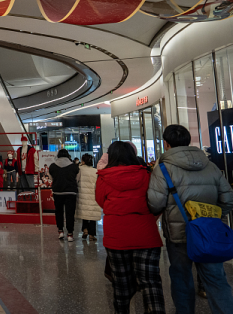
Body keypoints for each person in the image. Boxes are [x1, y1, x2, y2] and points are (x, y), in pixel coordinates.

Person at [148, 125, 233, 313]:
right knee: (216, 280)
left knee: (181, 278)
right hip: (209, 233)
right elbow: (228, 199)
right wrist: (211, 218)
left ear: (166, 144)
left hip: (179, 235)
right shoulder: (210, 165)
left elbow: (155, 203)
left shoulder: (162, 169)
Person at [97, 141, 165, 314]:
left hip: (117, 237)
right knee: (151, 283)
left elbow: (101, 201)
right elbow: (155, 200)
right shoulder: (146, 175)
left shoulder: (104, 176)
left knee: (121, 285)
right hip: (146, 235)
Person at [48, 149, 79, 241]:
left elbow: (50, 178)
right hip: (71, 192)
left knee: (59, 212)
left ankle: (60, 231)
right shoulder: (74, 166)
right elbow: (77, 179)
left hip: (58, 192)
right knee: (70, 213)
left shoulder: (52, 166)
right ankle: (70, 234)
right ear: (68, 156)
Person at [76, 153, 101, 241]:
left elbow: (76, 180)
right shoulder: (95, 171)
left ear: (83, 161)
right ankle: (92, 235)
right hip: (93, 194)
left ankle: (85, 229)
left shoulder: (80, 169)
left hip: (82, 193)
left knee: (85, 213)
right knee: (92, 214)